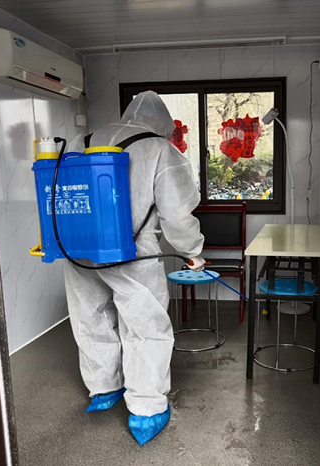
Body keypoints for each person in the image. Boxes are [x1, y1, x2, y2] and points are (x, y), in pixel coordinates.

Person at [63, 91, 205, 446]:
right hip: (132, 253)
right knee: (145, 327)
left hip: (77, 247)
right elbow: (177, 214)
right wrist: (193, 252)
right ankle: (145, 409)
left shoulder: (84, 140)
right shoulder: (159, 149)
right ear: (164, 125)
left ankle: (103, 389)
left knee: (90, 318)